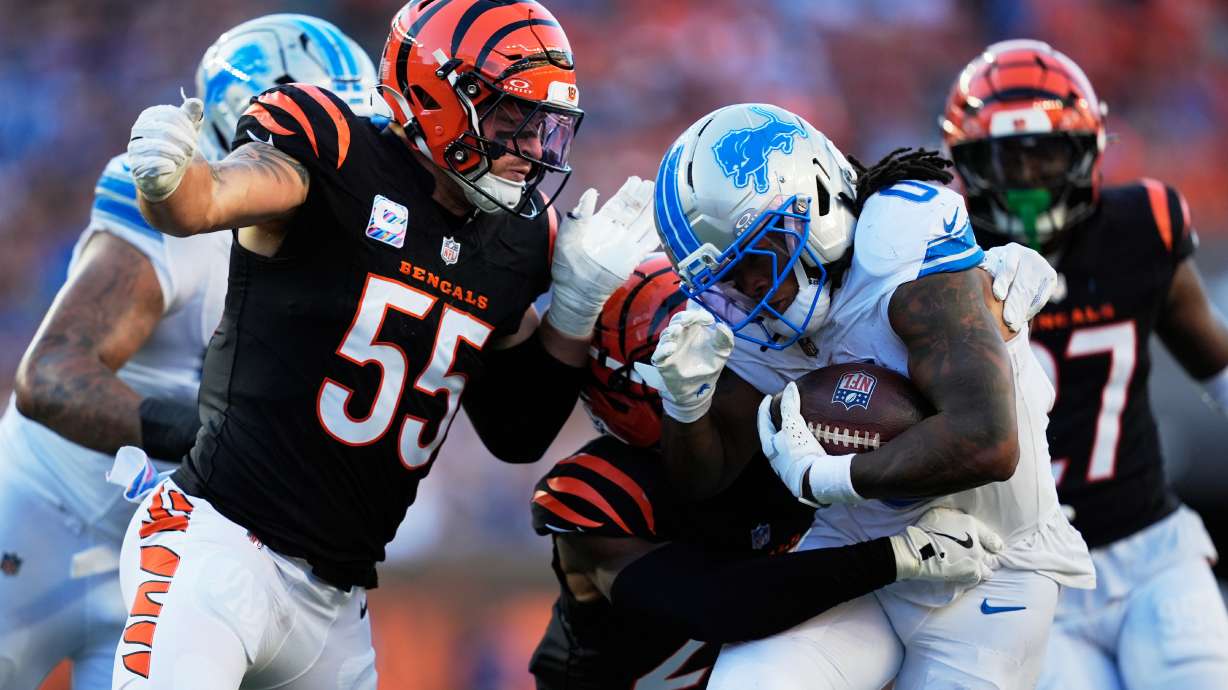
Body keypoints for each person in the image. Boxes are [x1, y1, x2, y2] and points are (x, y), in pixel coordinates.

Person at [116, 1, 658, 687]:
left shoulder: (518, 239)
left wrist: (573, 314)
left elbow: (517, 431)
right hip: (217, 544)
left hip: (337, 605)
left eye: (545, 126)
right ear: (436, 96)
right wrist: (168, 181)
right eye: (509, 119)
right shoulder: (336, 147)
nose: (532, 150)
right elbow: (206, 200)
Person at [645, 102, 1094, 689]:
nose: (752, 288)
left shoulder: (899, 249)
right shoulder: (745, 321)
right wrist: (686, 405)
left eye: (759, 254)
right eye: (727, 277)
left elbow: (988, 440)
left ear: (821, 199)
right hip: (862, 552)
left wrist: (827, 479)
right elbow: (706, 475)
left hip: (995, 562)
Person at [0, 15, 375, 690]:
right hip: (44, 517)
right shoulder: (189, 216)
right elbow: (51, 375)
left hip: (167, 552)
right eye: (327, 127)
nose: (348, 154)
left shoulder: (361, 237)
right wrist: (221, 435)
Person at [529, 254, 1004, 689]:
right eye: (713, 365)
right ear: (635, 385)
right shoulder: (596, 491)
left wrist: (983, 287)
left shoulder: (784, 435)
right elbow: (716, 605)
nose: (745, 372)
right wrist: (898, 557)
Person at [941, 39, 1228, 689]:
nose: (1027, 178)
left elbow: (1215, 360)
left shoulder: (1138, 229)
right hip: (1022, 572)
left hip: (1150, 549)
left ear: (1088, 150)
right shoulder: (942, 262)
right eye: (1005, 158)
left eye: (1045, 153)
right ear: (967, 163)